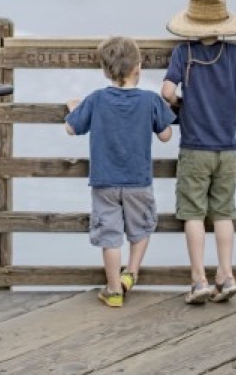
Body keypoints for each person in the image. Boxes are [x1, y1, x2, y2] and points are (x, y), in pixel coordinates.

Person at [160, 0, 236, 305]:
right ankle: (227, 274)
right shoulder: (234, 53)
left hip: (194, 147)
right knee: (223, 213)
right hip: (226, 147)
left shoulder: (183, 53)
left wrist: (182, 104)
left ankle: (199, 280)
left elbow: (166, 92)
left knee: (192, 213)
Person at [65, 36, 175, 308]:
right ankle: (132, 273)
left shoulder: (96, 99)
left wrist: (74, 110)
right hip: (138, 180)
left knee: (110, 237)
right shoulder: (150, 100)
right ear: (138, 67)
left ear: (105, 71)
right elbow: (165, 135)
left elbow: (71, 128)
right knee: (143, 227)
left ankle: (113, 290)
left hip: (105, 181)